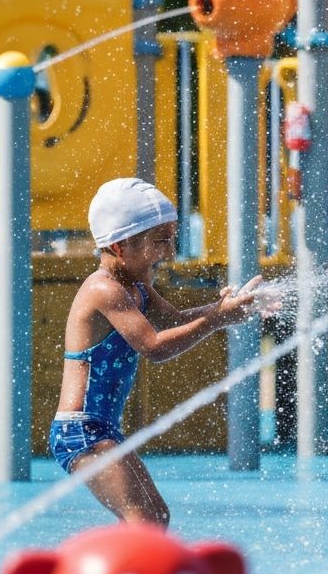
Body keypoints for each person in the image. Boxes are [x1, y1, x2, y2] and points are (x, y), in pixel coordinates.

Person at [50, 177, 265, 526]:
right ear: (120, 246)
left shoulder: (136, 286)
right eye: (159, 240)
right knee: (144, 519)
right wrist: (215, 319)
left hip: (103, 429)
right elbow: (154, 346)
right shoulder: (104, 290)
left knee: (156, 516)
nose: (167, 250)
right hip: (81, 431)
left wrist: (226, 309)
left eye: (170, 238)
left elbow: (177, 319)